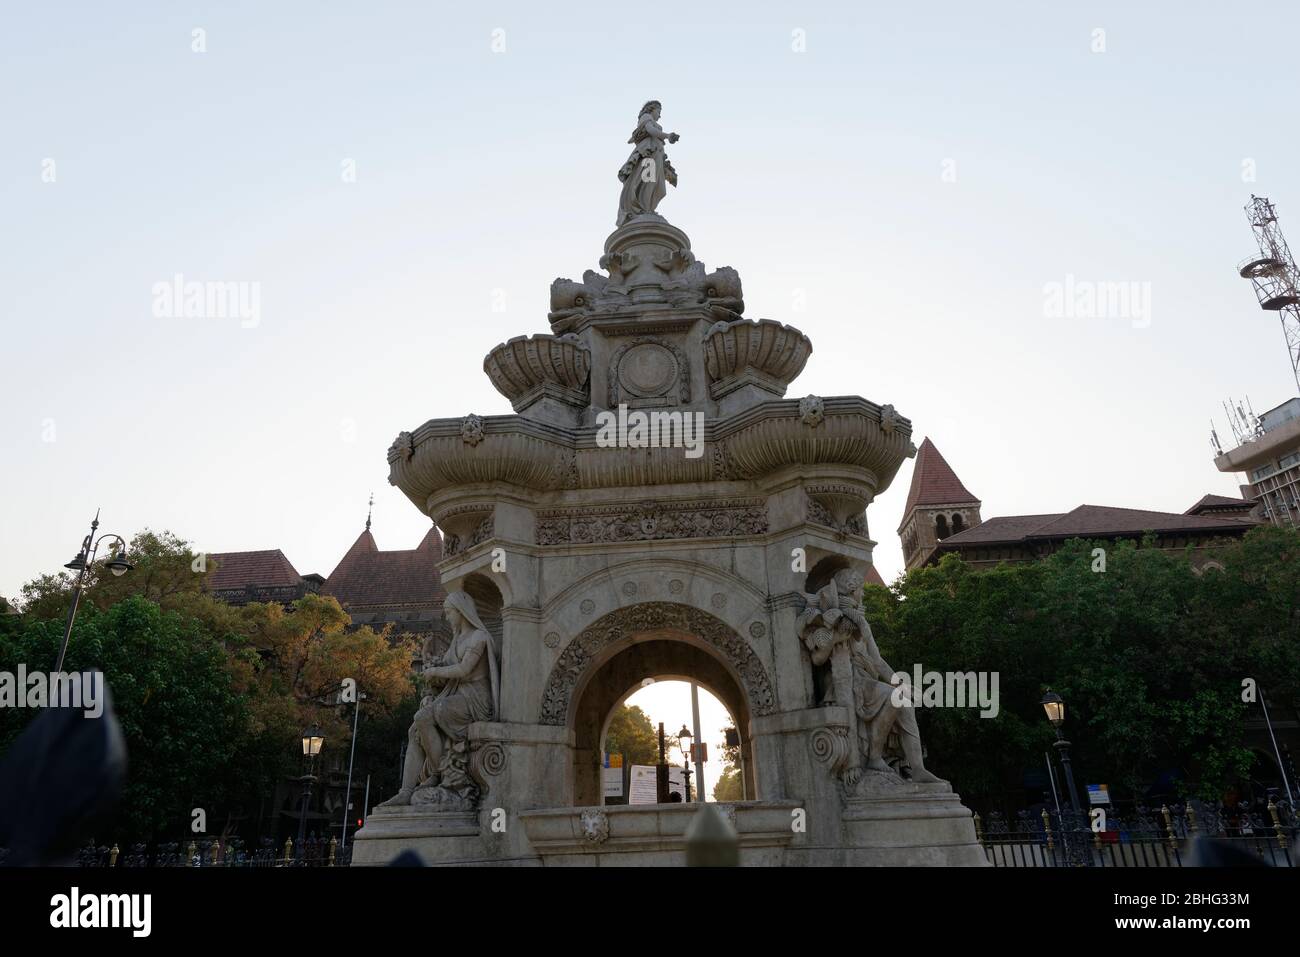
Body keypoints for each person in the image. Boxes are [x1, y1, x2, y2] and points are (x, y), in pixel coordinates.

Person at [616, 100, 679, 225]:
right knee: (648, 181)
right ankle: (644, 209)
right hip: (648, 152)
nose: (660, 115)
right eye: (659, 111)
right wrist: (667, 136)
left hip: (656, 154)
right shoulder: (646, 117)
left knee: (658, 186)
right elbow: (650, 130)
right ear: (651, 109)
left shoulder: (652, 119)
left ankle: (648, 208)